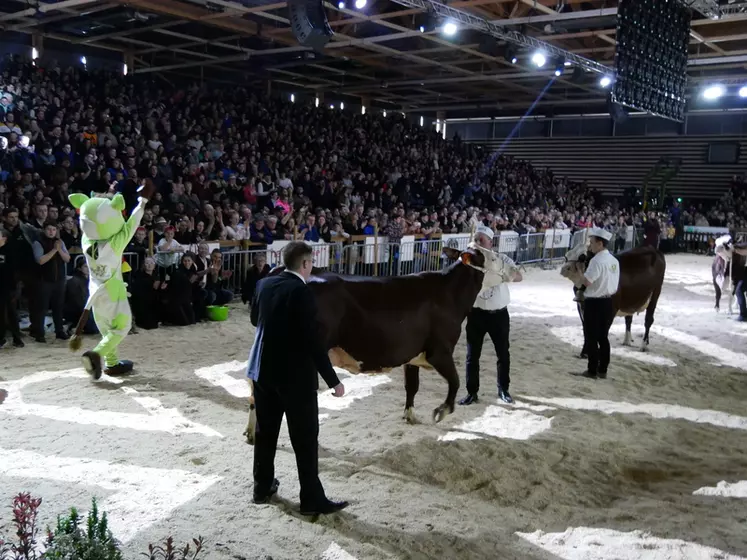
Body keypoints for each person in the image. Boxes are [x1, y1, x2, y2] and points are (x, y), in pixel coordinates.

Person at [247, 241, 348, 515]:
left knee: (265, 433)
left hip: (263, 371)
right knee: (304, 438)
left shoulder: (264, 285)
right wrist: (333, 380)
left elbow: (256, 320)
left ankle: (262, 487)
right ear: (304, 264)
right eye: (310, 262)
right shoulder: (301, 291)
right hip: (294, 377)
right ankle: (311, 499)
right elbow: (313, 341)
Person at [458, 225, 523, 406]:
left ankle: (503, 389)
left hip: (499, 315)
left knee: (503, 353)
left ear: (490, 242)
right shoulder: (470, 260)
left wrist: (501, 273)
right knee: (472, 356)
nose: (478, 243)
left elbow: (518, 276)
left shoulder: (502, 258)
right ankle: (472, 392)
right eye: (476, 239)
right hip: (476, 314)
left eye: (482, 240)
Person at [572, 228, 620, 379]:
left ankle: (592, 369)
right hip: (608, 301)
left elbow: (587, 281)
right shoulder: (614, 260)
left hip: (594, 303)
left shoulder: (596, 261)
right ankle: (603, 369)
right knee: (603, 337)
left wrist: (579, 271)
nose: (590, 246)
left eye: (592, 243)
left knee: (591, 337)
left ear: (600, 243)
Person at [31, 221, 71, 343]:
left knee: (58, 307)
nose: (51, 232)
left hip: (59, 280)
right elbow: (40, 260)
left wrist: (59, 250)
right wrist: (54, 250)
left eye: (53, 230)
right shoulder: (38, 242)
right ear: (44, 230)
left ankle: (59, 331)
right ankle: (39, 333)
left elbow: (67, 259)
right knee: (41, 308)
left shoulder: (60, 242)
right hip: (44, 280)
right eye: (49, 229)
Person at [0, 227, 24, 348]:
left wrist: (15, 288)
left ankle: (17, 338)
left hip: (9, 287)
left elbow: (14, 271)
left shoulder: (10, 251)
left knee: (11, 313)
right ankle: (1, 339)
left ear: (4, 238)